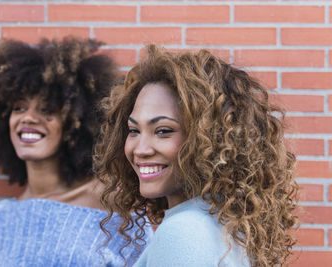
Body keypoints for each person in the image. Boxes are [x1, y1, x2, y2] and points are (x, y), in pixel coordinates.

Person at [95, 45, 298, 267]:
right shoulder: (222, 222)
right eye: (134, 130)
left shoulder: (184, 232)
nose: (140, 149)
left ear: (211, 139)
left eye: (163, 131)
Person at [0, 37, 152, 266]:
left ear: (76, 122)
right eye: (19, 108)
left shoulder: (112, 206)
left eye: (47, 109)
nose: (28, 117)